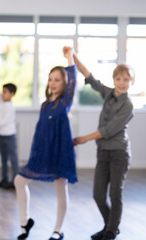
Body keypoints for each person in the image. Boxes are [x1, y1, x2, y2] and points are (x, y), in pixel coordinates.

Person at [14, 46, 77, 240]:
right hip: (42, 152)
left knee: (61, 188)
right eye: (51, 79)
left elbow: (74, 80)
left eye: (58, 79)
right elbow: (40, 133)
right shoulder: (45, 105)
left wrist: (69, 58)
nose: (53, 83)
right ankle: (25, 222)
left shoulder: (65, 103)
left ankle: (58, 229)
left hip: (60, 152)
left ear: (65, 82)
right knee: (19, 180)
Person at [73, 54, 134, 240]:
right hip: (103, 152)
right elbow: (90, 77)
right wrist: (73, 56)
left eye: (126, 79)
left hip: (119, 154)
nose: (121, 83)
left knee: (115, 194)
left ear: (132, 82)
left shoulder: (128, 105)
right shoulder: (109, 93)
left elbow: (107, 130)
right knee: (98, 195)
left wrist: (84, 138)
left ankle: (111, 231)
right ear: (114, 79)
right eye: (118, 79)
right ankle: (110, 226)